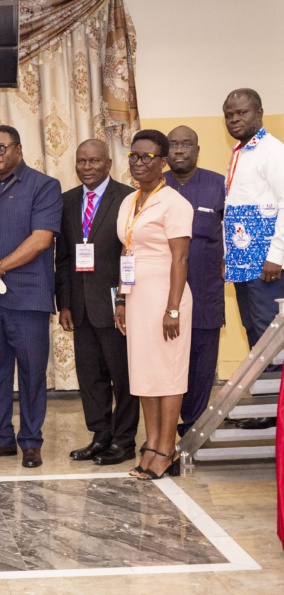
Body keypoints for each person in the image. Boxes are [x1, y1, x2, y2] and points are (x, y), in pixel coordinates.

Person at [0, 125, 62, 469]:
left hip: (27, 297)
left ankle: (31, 442)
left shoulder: (44, 185)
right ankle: (0, 438)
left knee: (32, 373)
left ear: (18, 149)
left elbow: (41, 239)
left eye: (0, 148)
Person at [114, 129, 193, 480]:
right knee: (145, 375)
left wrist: (172, 308)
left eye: (147, 156)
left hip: (166, 297)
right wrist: (121, 298)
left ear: (163, 162)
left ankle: (166, 449)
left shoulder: (174, 203)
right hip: (136, 299)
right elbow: (126, 250)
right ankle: (151, 446)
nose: (138, 162)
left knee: (168, 374)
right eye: (134, 155)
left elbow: (180, 259)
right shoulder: (129, 200)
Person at [55, 140, 138, 466]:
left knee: (124, 377)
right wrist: (64, 303)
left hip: (116, 305)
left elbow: (131, 254)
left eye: (94, 161)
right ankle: (100, 436)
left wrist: (124, 298)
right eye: (81, 161)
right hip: (80, 305)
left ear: (108, 163)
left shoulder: (127, 198)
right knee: (90, 378)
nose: (86, 167)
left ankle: (124, 440)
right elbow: (63, 257)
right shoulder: (67, 201)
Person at [223, 89, 284, 429]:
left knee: (270, 337)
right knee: (254, 334)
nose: (235, 119)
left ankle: (274, 411)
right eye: (229, 115)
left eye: (242, 113)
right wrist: (227, 255)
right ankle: (265, 404)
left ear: (259, 112)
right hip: (243, 262)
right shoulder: (240, 152)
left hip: (266, 265)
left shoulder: (273, 151)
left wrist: (276, 256)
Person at [163, 126, 226, 437]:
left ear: (197, 151)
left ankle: (193, 431)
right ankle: (164, 431)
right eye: (173, 144)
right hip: (163, 295)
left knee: (201, 365)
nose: (179, 150)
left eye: (186, 144)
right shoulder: (155, 185)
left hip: (205, 292)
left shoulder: (219, 184)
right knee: (167, 363)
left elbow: (234, 230)